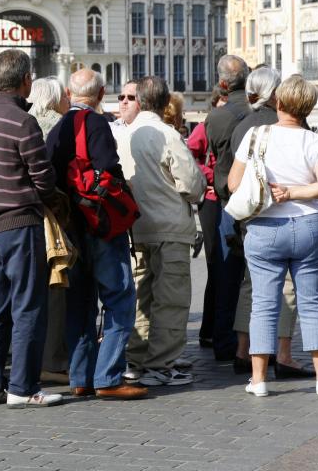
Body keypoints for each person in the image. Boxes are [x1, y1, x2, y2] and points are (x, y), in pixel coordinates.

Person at [0, 49, 63, 408]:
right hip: (20, 221)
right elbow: (42, 175)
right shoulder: (23, 122)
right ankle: (22, 387)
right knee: (27, 306)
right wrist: (49, 196)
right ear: (26, 81)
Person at [46, 68, 147, 400]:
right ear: (101, 93)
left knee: (80, 303)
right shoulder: (97, 124)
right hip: (100, 226)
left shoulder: (57, 129)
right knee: (119, 298)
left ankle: (80, 375)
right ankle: (109, 375)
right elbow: (108, 168)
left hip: (69, 228)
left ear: (68, 94)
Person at [227, 75, 318, 397]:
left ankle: (259, 380)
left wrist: (275, 191)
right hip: (309, 223)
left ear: (278, 102)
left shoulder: (257, 135)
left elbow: (232, 184)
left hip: (266, 227)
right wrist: (295, 192)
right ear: (308, 107)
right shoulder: (314, 141)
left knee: (264, 304)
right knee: (313, 303)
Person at [117, 76, 205, 386]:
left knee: (141, 296)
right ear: (165, 101)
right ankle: (161, 364)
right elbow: (192, 183)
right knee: (171, 298)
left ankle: (136, 357)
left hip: (137, 227)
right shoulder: (167, 134)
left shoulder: (125, 135)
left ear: (139, 100)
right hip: (169, 226)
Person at [205, 55, 250, 361]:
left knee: (225, 275)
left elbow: (213, 155)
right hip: (260, 201)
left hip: (227, 202)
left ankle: (223, 341)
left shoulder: (216, 117)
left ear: (221, 82)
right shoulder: (258, 113)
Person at [28, 76, 70, 381]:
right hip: (55, 216)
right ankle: (55, 358)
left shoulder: (21, 120)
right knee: (57, 285)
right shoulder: (61, 124)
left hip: (21, 215)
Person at [187, 85, 227, 350]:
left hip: (227, 198)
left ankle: (218, 327)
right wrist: (208, 176)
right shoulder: (206, 125)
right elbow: (190, 154)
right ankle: (209, 329)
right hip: (212, 200)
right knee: (215, 265)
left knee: (225, 267)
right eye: (223, 102)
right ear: (216, 103)